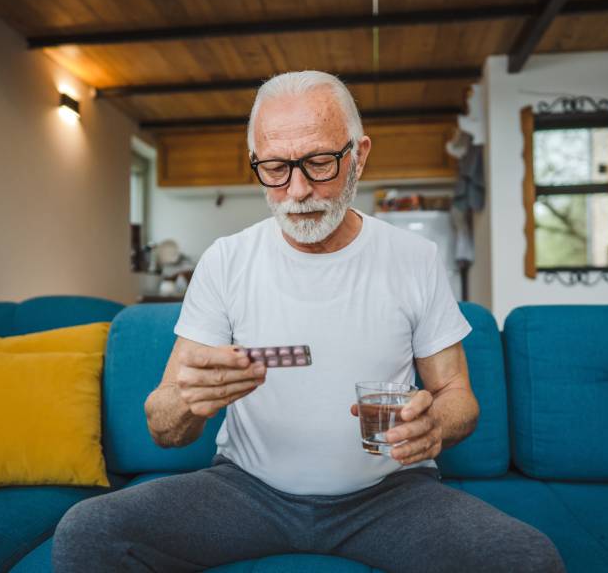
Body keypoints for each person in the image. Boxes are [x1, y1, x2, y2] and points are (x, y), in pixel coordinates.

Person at [52, 71, 565, 573]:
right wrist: (186, 404)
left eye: (319, 162)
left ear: (359, 155)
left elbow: (460, 397)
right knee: (88, 531)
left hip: (390, 496)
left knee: (528, 559)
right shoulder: (226, 260)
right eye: (274, 168)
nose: (297, 190)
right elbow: (163, 426)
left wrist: (435, 425)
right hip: (245, 490)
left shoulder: (415, 257)